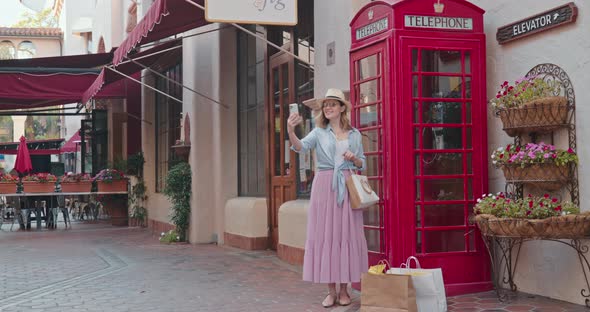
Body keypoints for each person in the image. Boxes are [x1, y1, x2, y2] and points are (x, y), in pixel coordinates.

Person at [287, 88, 369, 308]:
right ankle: (331, 291)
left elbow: (363, 162)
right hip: (324, 185)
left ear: (342, 107)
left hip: (348, 184)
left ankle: (345, 290)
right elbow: (300, 147)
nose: (328, 108)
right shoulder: (318, 132)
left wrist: (354, 159)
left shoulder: (355, 134)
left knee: (346, 236)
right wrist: (290, 130)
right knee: (327, 236)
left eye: (333, 104)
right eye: (325, 105)